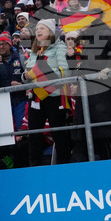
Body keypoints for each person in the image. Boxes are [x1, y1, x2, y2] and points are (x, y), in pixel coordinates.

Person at [23, 19, 71, 166]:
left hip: (54, 96)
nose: (38, 31)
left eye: (42, 29)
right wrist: (25, 76)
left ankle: (64, 166)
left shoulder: (59, 47)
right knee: (34, 135)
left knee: (59, 133)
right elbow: (27, 77)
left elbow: (65, 73)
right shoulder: (33, 51)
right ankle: (35, 168)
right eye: (37, 29)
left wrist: (43, 72)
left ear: (50, 32)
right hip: (35, 97)